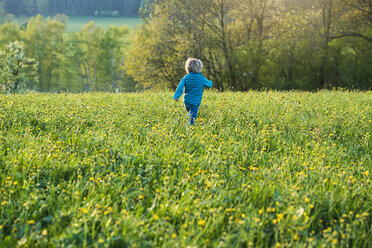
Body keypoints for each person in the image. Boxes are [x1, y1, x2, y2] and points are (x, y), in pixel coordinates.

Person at [173, 58, 213, 125]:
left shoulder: (186, 77)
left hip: (186, 102)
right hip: (195, 102)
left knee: (191, 113)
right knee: (192, 117)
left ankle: (190, 124)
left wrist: (176, 97)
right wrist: (210, 82)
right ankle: (189, 128)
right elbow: (209, 85)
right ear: (200, 68)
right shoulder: (201, 78)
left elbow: (180, 87)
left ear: (188, 68)